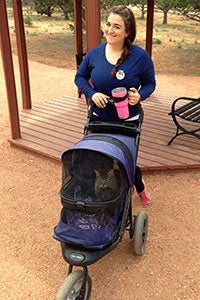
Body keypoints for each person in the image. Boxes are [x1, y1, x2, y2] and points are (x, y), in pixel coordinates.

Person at [74, 5, 156, 206]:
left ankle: (140, 187)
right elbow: (80, 77)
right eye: (108, 24)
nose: (110, 30)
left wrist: (140, 95)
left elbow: (150, 84)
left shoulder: (140, 56)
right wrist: (92, 94)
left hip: (127, 121)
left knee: (125, 161)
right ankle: (99, 198)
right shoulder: (95, 54)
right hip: (99, 118)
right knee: (97, 159)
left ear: (127, 32)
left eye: (117, 27)